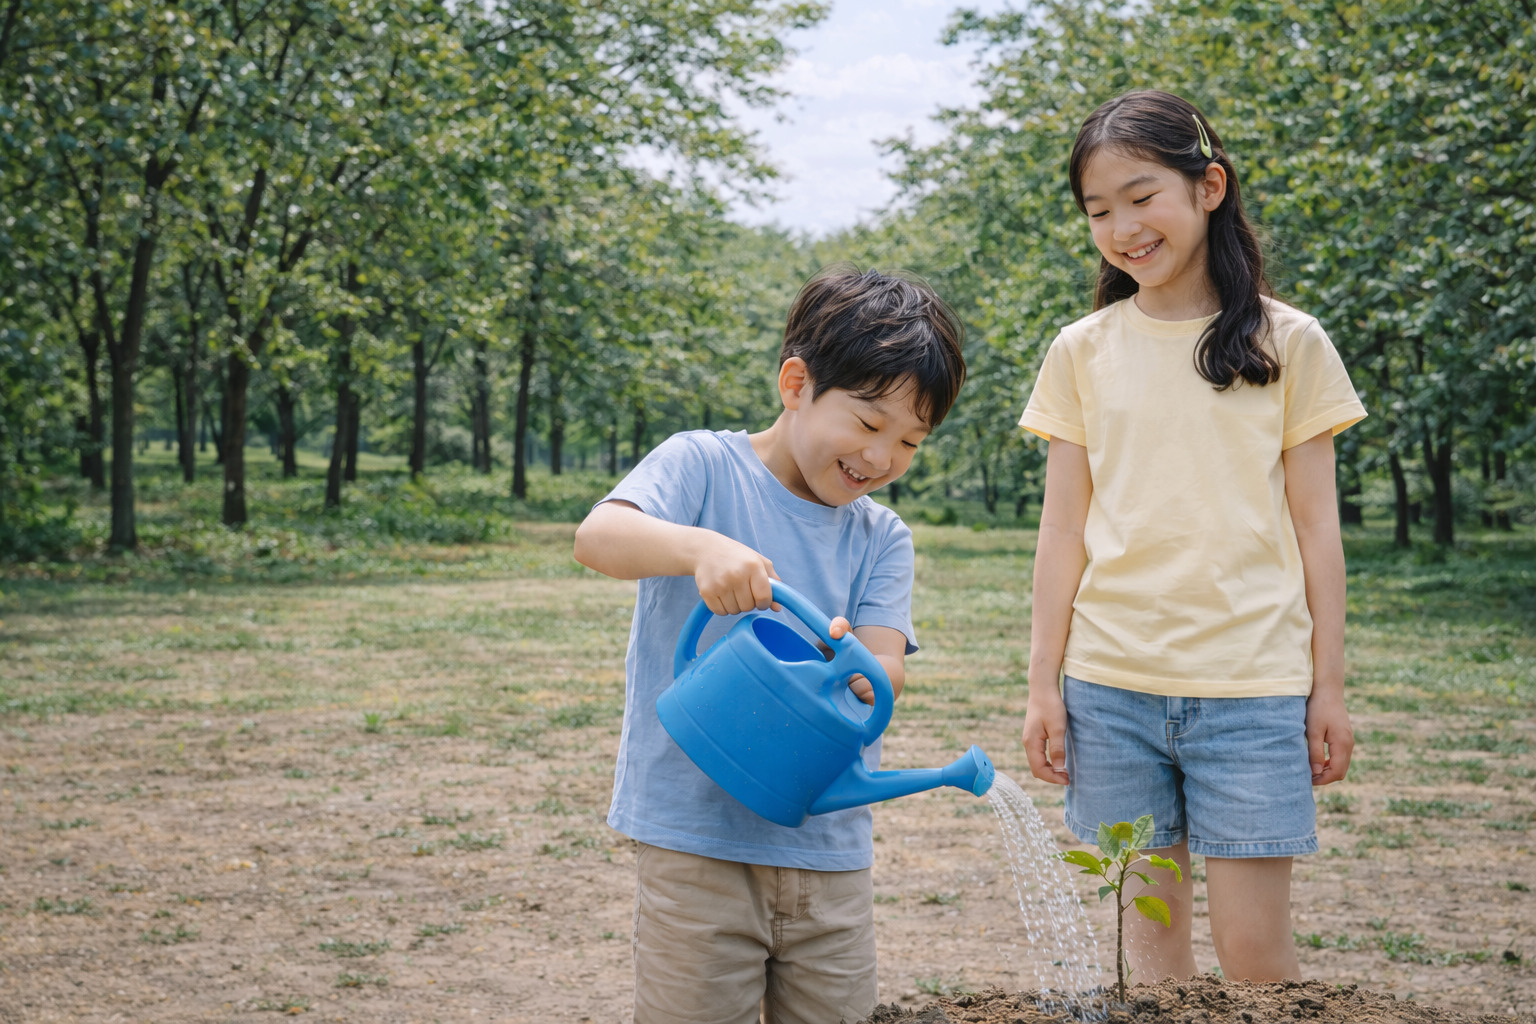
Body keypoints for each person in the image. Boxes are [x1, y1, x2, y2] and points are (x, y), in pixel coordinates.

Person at [1018, 90, 1366, 985]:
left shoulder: (1292, 344)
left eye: (1142, 197)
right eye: (1099, 211)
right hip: (1111, 688)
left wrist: (1327, 687)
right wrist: (1042, 688)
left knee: (1255, 956)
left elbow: (1317, 529)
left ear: (1209, 186)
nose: (1123, 226)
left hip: (1252, 691)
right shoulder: (1081, 350)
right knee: (1152, 955)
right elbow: (1062, 531)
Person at [573, 266, 966, 1024]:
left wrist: (859, 673)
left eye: (911, 442)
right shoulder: (701, 466)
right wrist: (697, 550)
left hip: (827, 851)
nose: (882, 458)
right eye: (868, 423)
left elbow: (884, 667)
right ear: (796, 384)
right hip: (696, 842)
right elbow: (598, 537)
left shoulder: (882, 536)